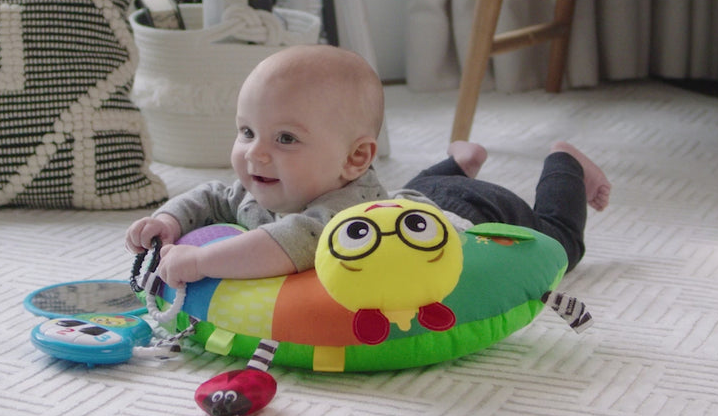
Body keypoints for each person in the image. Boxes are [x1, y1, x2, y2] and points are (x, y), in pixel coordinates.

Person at [123, 44, 610, 287]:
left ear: (355, 157)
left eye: (285, 138)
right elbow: (210, 196)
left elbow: (279, 248)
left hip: (486, 213)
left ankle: (564, 162)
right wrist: (168, 220)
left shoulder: (337, 215)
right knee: (418, 193)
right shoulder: (268, 179)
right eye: (247, 131)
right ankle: (457, 163)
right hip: (416, 199)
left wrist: (199, 261)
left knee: (560, 246)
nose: (255, 154)